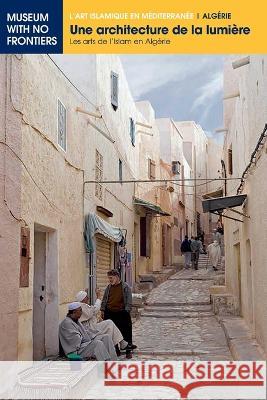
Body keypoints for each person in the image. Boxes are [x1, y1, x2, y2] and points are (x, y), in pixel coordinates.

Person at [75, 289, 128, 356]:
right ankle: (120, 344)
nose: (88, 298)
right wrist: (98, 298)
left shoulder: (82, 305)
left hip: (91, 327)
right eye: (86, 297)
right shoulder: (81, 306)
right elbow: (94, 310)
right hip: (89, 330)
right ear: (82, 299)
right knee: (109, 323)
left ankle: (117, 346)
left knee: (109, 328)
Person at [101, 269, 136, 358]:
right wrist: (102, 310)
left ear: (117, 277)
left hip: (122, 312)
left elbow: (129, 300)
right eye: (109, 278)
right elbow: (105, 299)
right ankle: (116, 350)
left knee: (126, 332)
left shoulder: (125, 287)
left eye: (111, 278)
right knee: (112, 332)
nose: (110, 280)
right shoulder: (109, 287)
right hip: (110, 312)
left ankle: (128, 351)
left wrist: (126, 311)